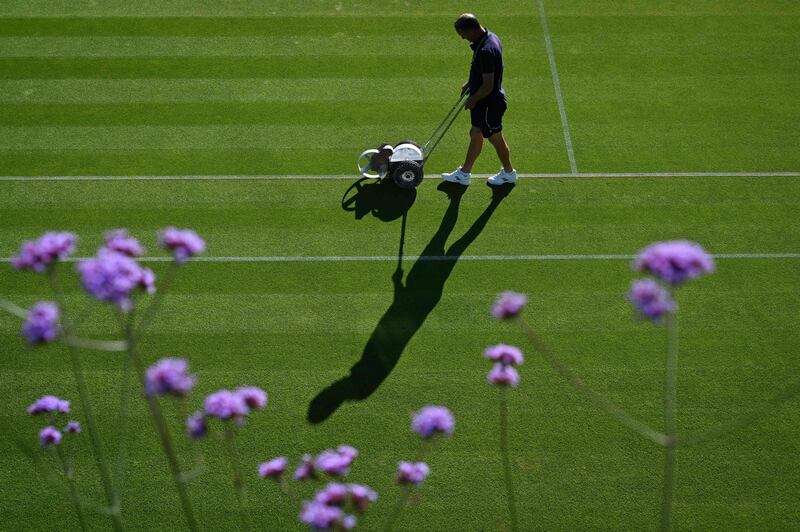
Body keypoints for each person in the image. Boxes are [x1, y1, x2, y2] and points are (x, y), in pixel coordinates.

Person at [442, 13, 517, 187]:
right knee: (475, 133)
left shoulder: (485, 50)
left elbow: (488, 85)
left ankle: (509, 173)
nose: (462, 38)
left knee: (495, 138)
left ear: (473, 29)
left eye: (463, 34)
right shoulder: (489, 37)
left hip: (489, 104)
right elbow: (485, 72)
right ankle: (464, 174)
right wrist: (470, 82)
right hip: (485, 102)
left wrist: (473, 100)